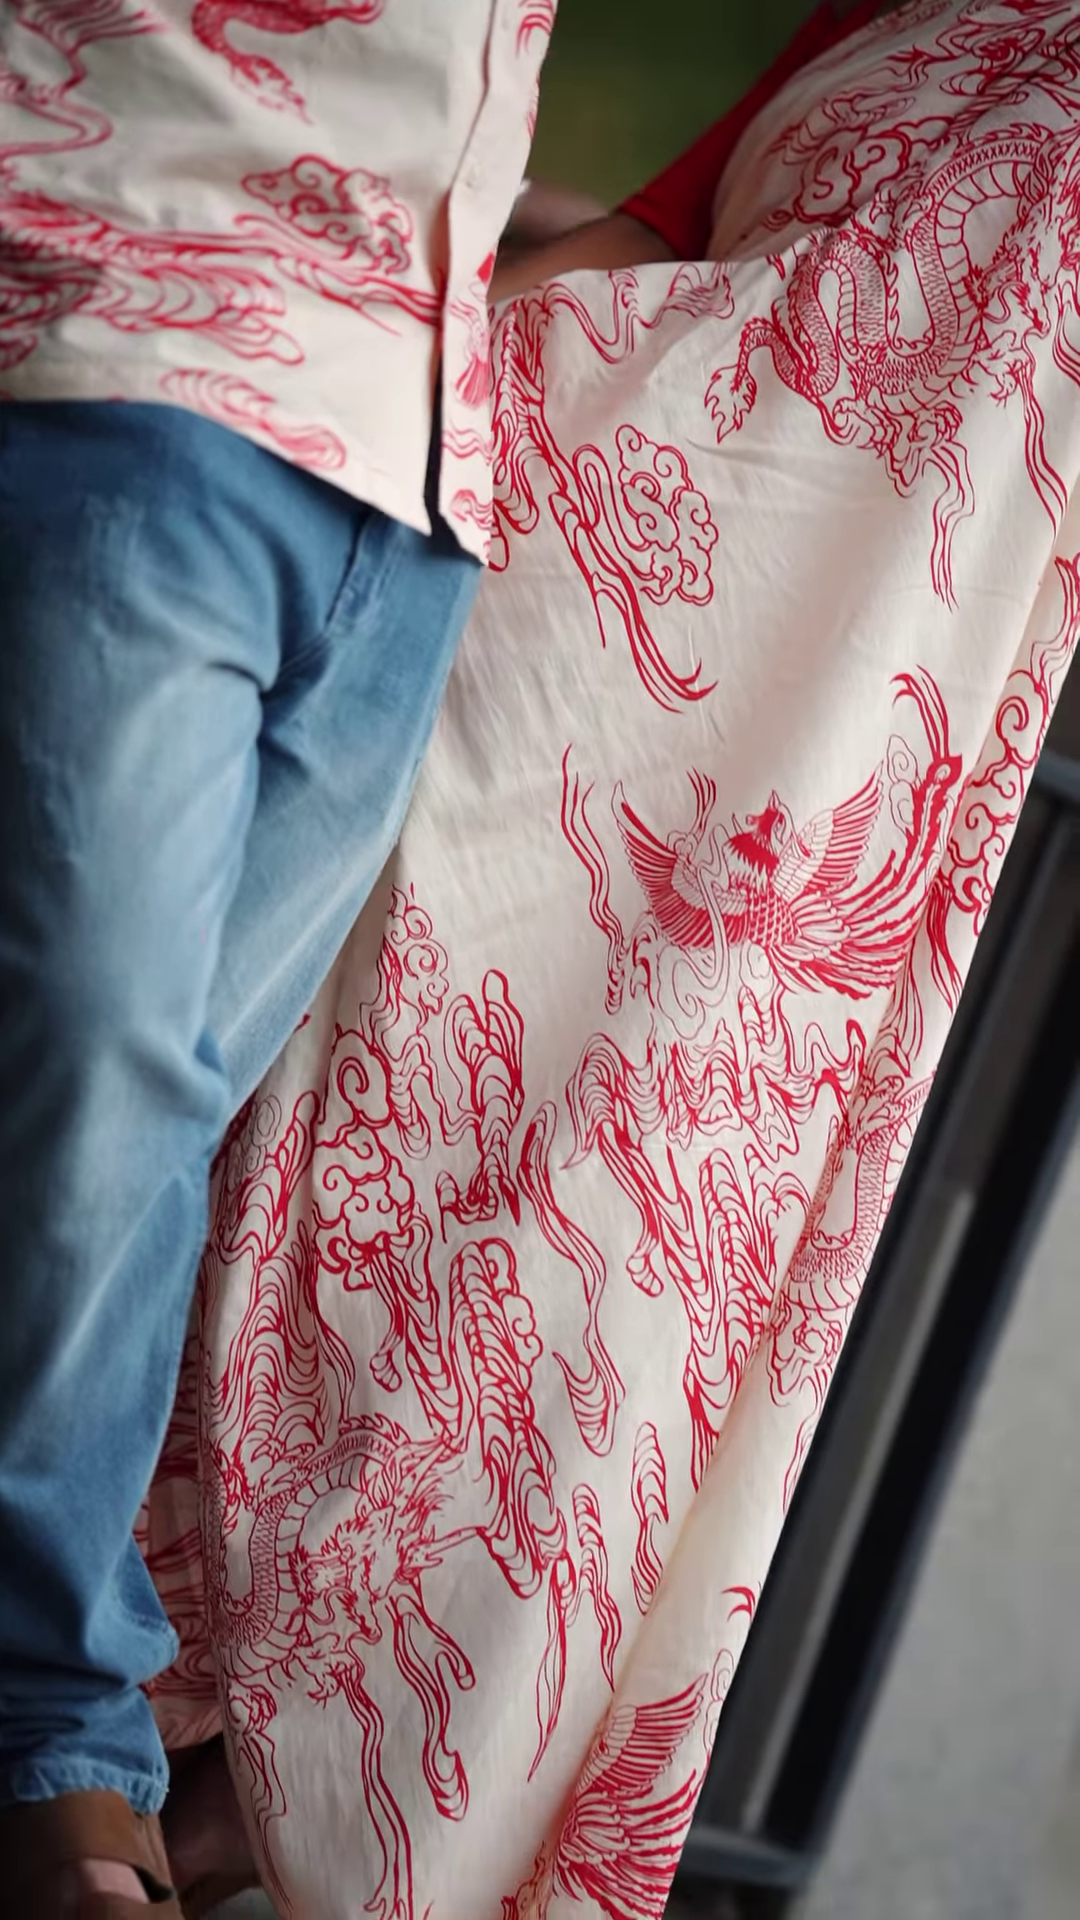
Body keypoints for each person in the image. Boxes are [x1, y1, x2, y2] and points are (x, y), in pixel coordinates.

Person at [132, 1, 1080, 1916]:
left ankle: (296, 1766)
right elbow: (650, 249)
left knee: (614, 1239)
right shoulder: (912, 24)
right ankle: (202, 1729)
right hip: (644, 615)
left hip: (853, 748)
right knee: (438, 1148)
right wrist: (408, 337)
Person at [0, 3, 555, 1914]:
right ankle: (49, 1744)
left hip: (418, 473)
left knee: (134, 1148)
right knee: (92, 1099)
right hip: (137, 322)